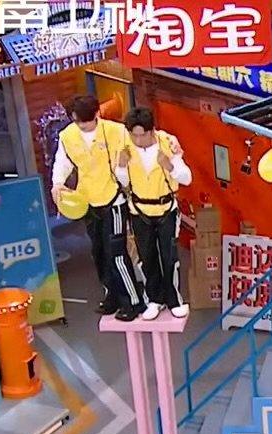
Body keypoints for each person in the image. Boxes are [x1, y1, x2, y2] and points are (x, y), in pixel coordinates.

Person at [51, 95, 145, 321]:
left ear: (96, 114)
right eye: (77, 121)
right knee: (99, 253)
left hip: (114, 200)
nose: (82, 126)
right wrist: (57, 184)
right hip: (88, 200)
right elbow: (62, 162)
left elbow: (133, 159)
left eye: (86, 121)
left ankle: (132, 301)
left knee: (117, 253)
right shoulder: (67, 135)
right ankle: (111, 296)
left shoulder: (117, 132)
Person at [114, 107, 191, 321]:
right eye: (134, 135)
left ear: (152, 131)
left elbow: (186, 178)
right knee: (146, 257)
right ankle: (154, 300)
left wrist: (169, 165)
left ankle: (174, 300)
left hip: (166, 209)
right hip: (139, 210)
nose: (138, 140)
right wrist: (121, 166)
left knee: (169, 256)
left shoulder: (168, 143)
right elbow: (123, 181)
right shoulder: (125, 146)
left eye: (142, 135)